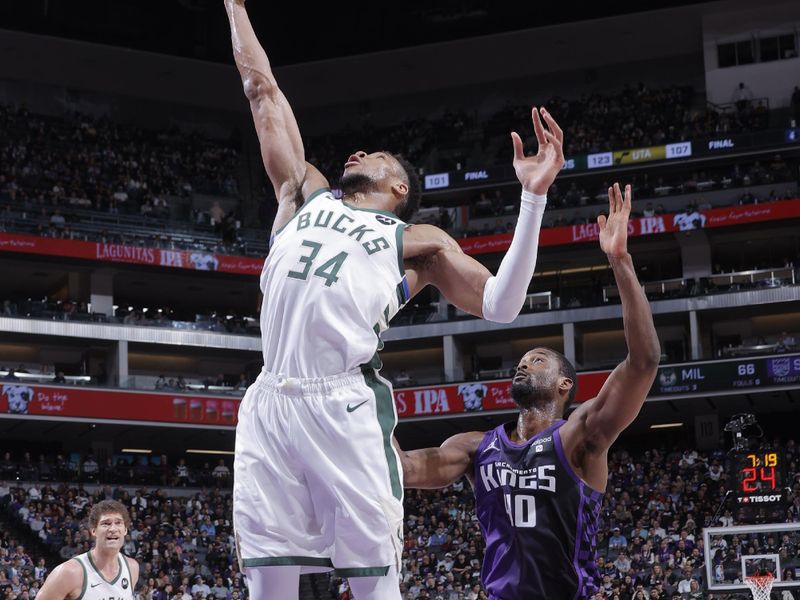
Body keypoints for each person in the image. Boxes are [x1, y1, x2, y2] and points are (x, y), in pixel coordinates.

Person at [223, 1, 564, 598]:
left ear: (398, 186)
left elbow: (502, 303)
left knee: (372, 582)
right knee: (268, 581)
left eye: (372, 155)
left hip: (342, 406)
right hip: (270, 398)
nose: (355, 154)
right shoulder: (303, 192)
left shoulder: (417, 241)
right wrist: (235, 7)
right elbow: (261, 89)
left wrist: (531, 199)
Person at [396, 184, 660, 598]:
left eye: (538, 360)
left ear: (564, 384)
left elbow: (643, 362)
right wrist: (362, 382)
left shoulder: (579, 436)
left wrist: (620, 261)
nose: (523, 363)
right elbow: (404, 471)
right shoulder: (475, 448)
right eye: (522, 360)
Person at [35, 500, 139, 600]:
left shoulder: (132, 567)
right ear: (93, 530)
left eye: (118, 523)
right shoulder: (69, 572)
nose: (113, 529)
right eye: (106, 524)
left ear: (125, 530)